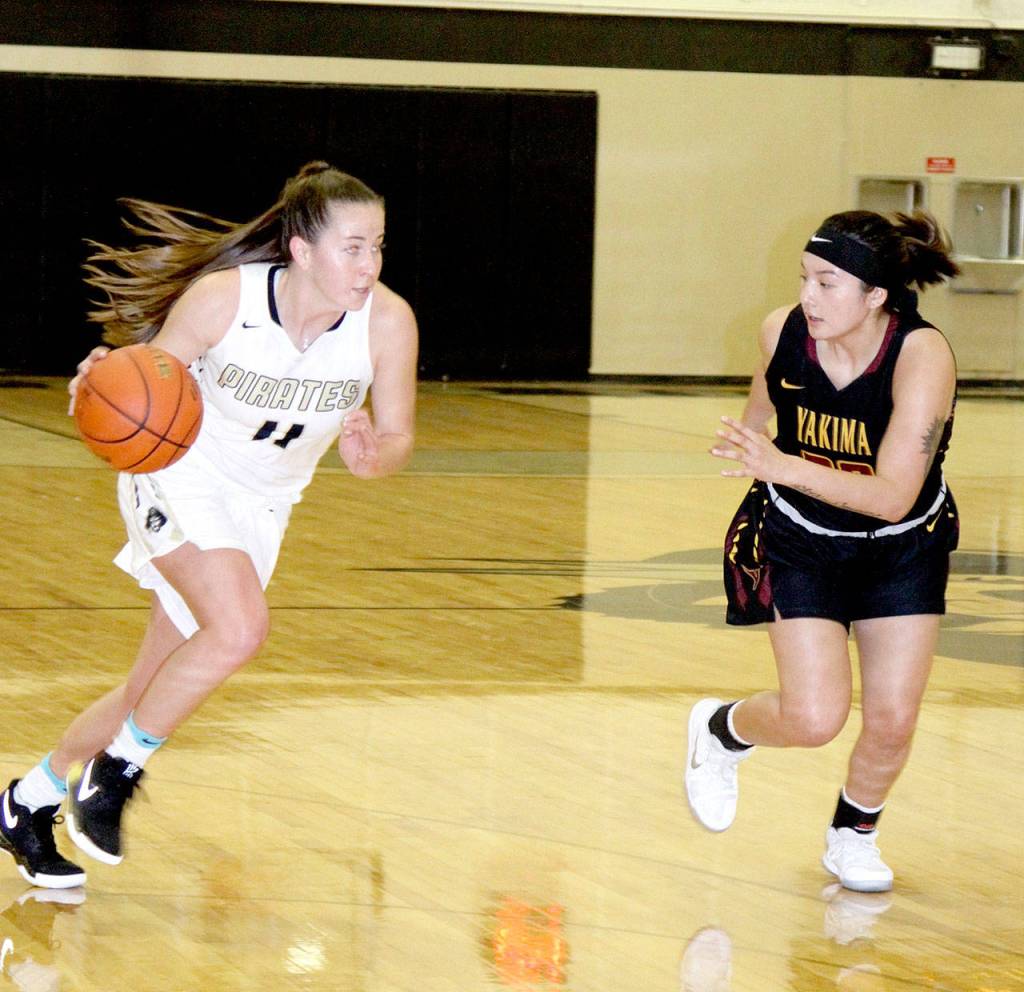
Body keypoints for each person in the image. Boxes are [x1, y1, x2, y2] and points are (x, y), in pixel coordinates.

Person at [0, 162, 418, 888]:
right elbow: (145, 381)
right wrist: (103, 379)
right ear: (301, 249)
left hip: (264, 506)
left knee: (151, 688)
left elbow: (397, 442)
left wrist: (371, 455)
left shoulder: (388, 322)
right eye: (352, 247)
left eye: (377, 246)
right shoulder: (225, 301)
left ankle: (25, 802)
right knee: (240, 629)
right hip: (179, 474)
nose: (369, 264)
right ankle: (115, 773)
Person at [685, 209, 959, 893]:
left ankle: (853, 835)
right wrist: (748, 441)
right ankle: (721, 731)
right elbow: (764, 402)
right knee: (813, 720)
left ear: (876, 297)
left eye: (828, 283)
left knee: (893, 719)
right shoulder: (784, 331)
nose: (808, 297)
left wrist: (783, 465)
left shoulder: (922, 356)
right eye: (806, 278)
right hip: (803, 541)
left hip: (902, 545)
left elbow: (894, 494)